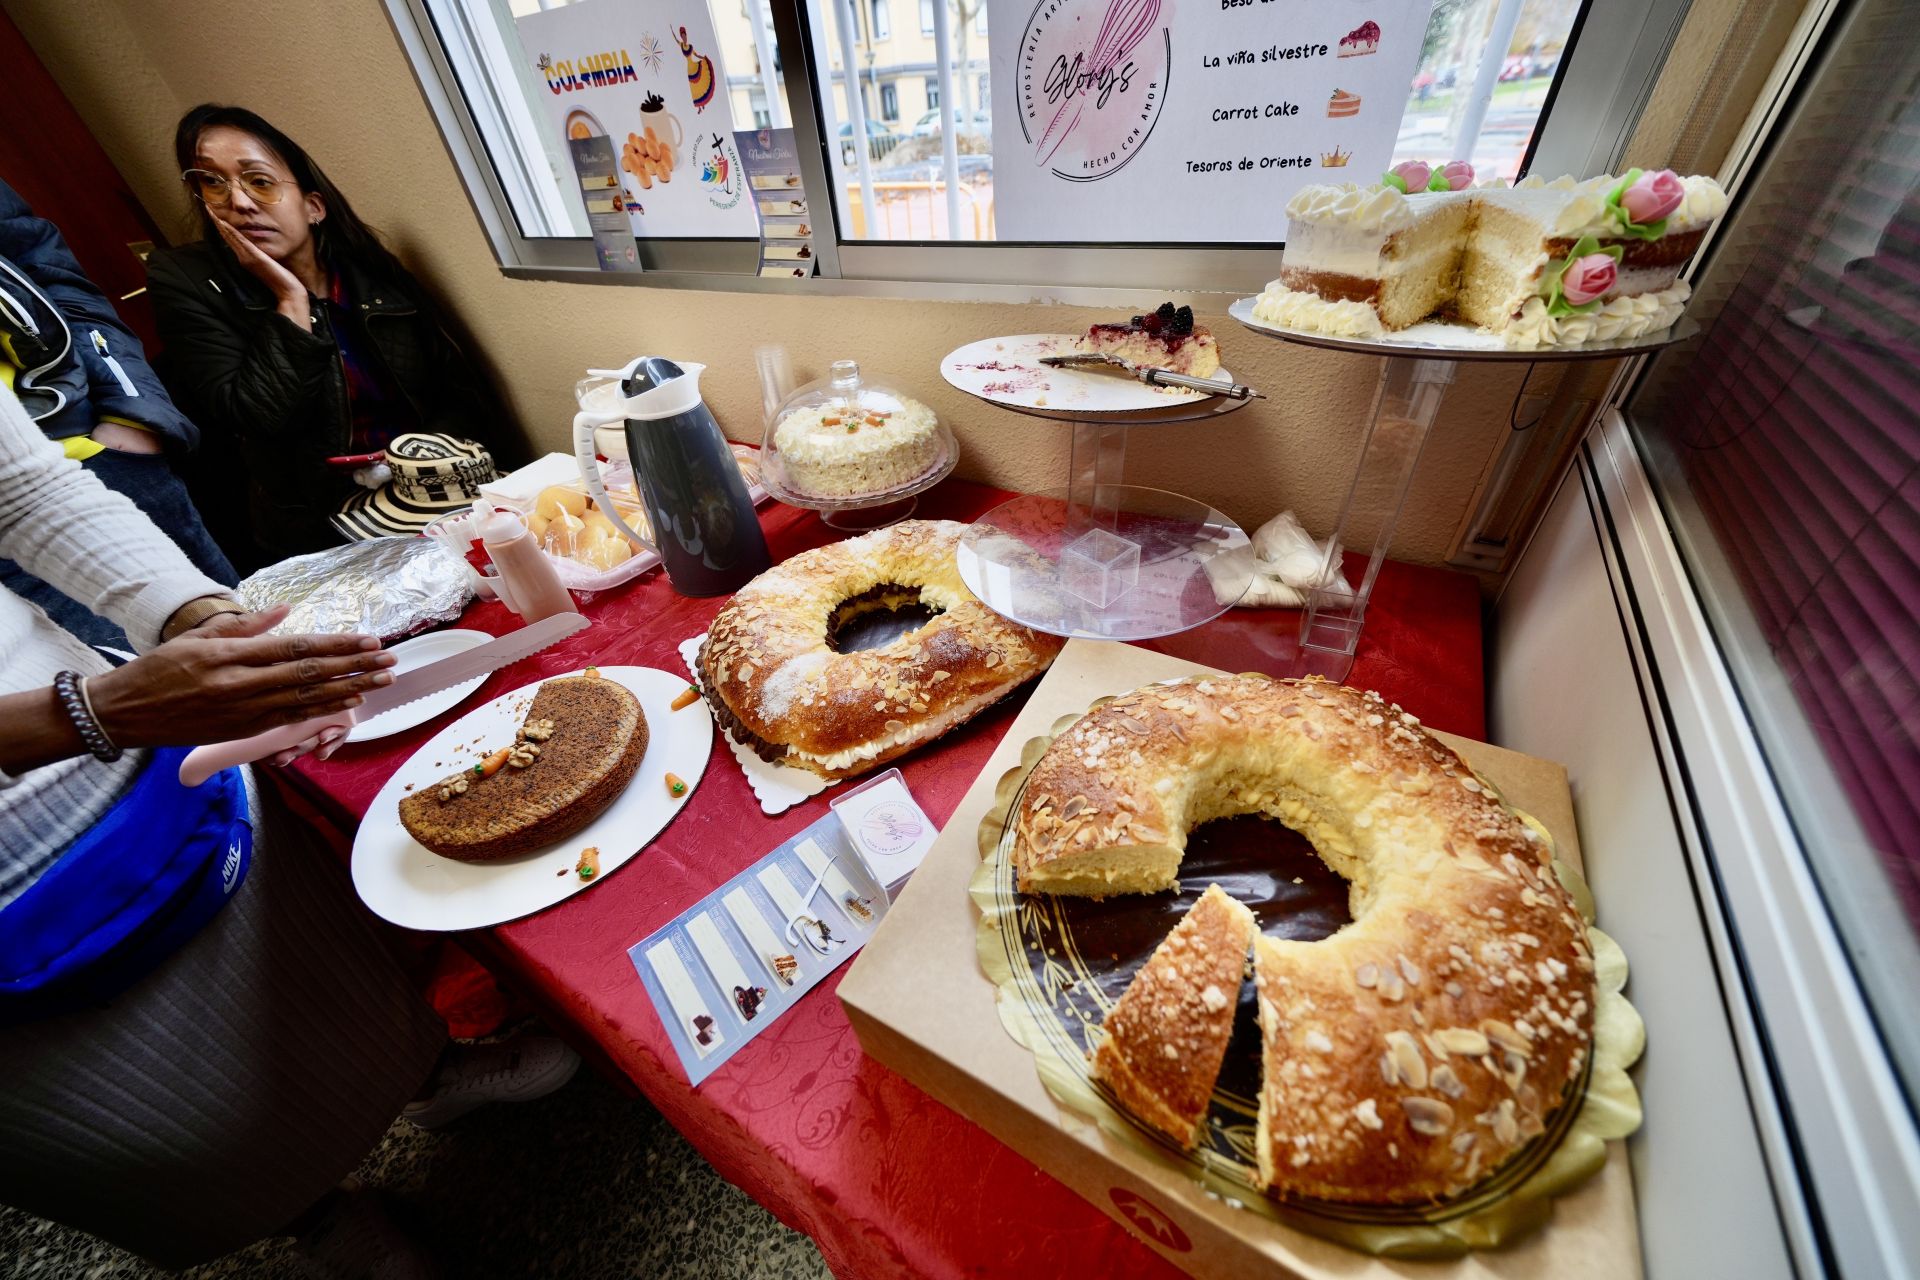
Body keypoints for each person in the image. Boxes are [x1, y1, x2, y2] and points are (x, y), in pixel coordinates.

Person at [0, 384, 575, 1277]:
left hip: (131, 755)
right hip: (86, 740)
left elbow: (24, 490)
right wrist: (83, 713)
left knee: (312, 980)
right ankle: (310, 1216)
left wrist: (206, 623)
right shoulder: (99, 711)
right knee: (148, 1122)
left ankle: (423, 1075)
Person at [147, 103, 514, 567]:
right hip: (322, 528)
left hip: (430, 492)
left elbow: (461, 394)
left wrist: (414, 459)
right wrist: (290, 299)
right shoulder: (186, 280)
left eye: (259, 182)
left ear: (314, 206)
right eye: (212, 184)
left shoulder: (371, 274)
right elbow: (256, 416)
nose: (238, 203)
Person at [0, 178, 236, 649]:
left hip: (108, 455)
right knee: (177, 711)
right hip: (13, 556)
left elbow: (49, 268)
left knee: (265, 654)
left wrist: (133, 415)